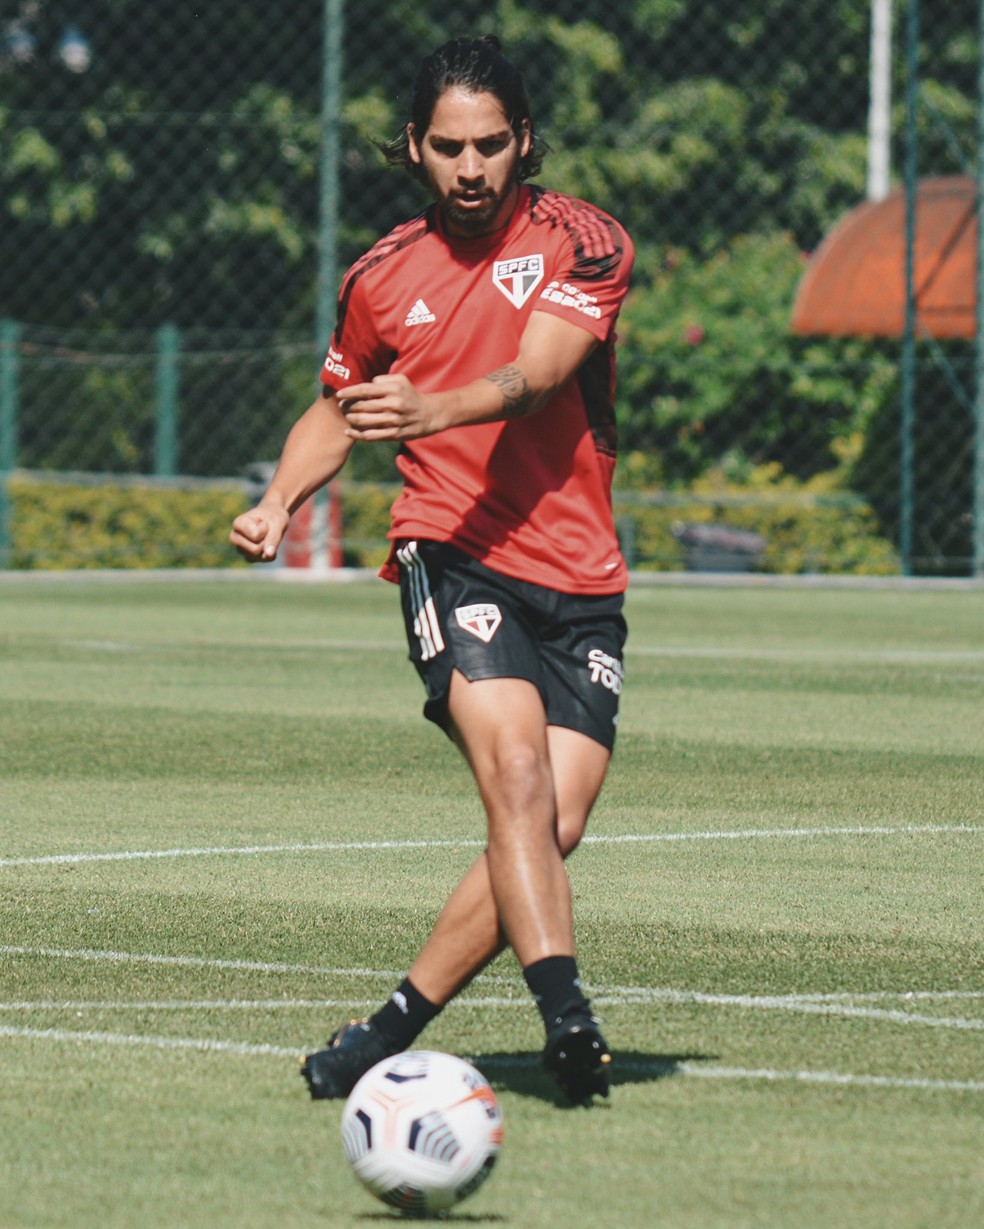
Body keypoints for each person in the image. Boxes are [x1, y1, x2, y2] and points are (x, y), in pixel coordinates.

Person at [230, 34, 634, 1106]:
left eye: (491, 145)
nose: (470, 168)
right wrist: (281, 498)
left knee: (554, 826)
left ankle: (386, 1030)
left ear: (525, 142)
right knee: (515, 777)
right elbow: (336, 400)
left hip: (581, 575)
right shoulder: (379, 275)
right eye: (448, 146)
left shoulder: (585, 241)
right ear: (414, 146)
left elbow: (542, 375)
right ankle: (569, 1019)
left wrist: (431, 404)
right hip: (451, 552)